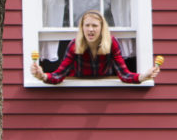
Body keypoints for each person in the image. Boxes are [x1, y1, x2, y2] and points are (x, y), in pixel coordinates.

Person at [30, 9, 160, 84]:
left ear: (102, 28)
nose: (90, 29)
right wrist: (43, 76)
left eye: (94, 26)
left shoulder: (111, 43)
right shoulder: (74, 45)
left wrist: (143, 77)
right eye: (87, 25)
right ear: (82, 28)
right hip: (78, 88)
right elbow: (59, 75)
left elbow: (124, 74)